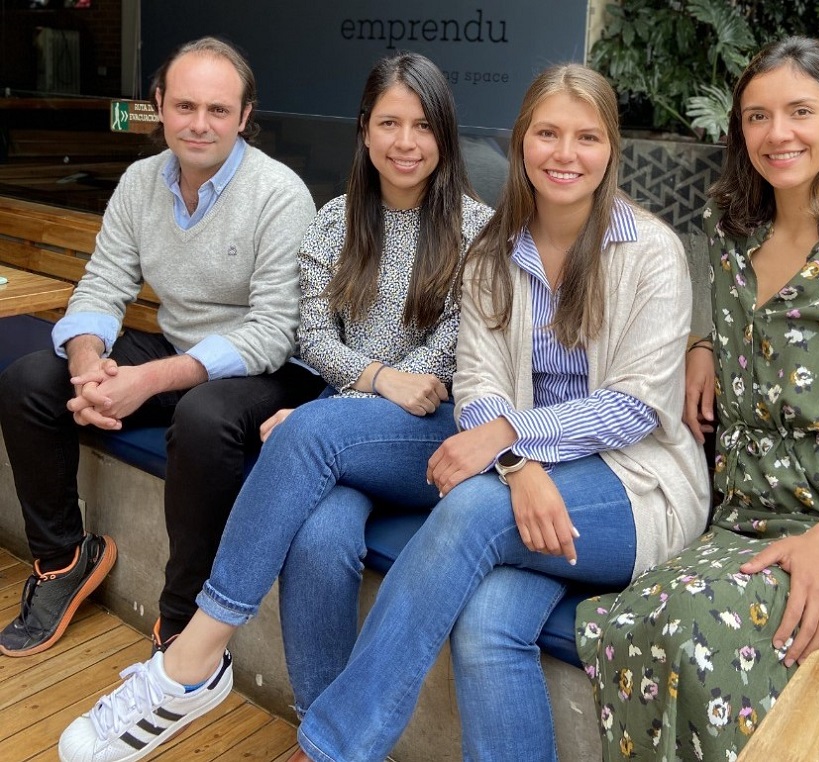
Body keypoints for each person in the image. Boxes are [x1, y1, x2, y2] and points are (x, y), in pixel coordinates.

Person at [57, 50, 493, 762]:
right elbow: (312, 337)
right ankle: (329, 741)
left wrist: (332, 419)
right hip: (349, 424)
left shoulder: (481, 230)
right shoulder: (335, 221)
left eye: (421, 124)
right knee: (320, 539)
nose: (404, 141)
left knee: (306, 437)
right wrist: (366, 390)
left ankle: (191, 662)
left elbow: (450, 358)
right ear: (364, 129)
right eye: (388, 121)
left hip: (438, 438)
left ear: (444, 133)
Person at [576, 36, 819, 761]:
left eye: (799, 112)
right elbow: (740, 330)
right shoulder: (729, 238)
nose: (778, 134)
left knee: (702, 635)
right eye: (757, 116)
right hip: (744, 528)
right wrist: (702, 346)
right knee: (625, 624)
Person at [0, 37, 318, 658]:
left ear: (246, 116)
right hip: (179, 347)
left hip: (268, 369)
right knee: (30, 380)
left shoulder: (279, 194)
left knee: (202, 417)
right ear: (159, 105)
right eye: (186, 106)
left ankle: (181, 620)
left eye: (219, 111)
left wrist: (147, 380)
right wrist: (90, 367)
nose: (200, 124)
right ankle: (64, 561)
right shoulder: (142, 181)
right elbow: (103, 284)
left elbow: (276, 330)